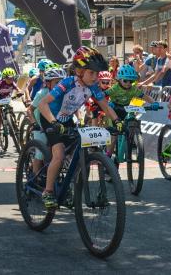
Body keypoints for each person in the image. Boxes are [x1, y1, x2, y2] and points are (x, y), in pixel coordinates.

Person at [38, 46, 123, 210]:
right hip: (50, 117)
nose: (95, 77)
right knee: (59, 154)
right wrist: (54, 123)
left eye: (97, 74)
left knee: (76, 157)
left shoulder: (93, 87)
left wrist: (117, 120)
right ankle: (48, 191)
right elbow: (42, 104)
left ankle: (67, 187)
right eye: (91, 73)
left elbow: (105, 105)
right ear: (79, 71)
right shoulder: (67, 83)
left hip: (67, 119)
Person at [104, 64, 155, 157]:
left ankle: (134, 139)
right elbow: (103, 95)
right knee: (114, 136)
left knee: (133, 120)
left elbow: (144, 96)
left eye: (131, 81)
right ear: (119, 80)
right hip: (115, 110)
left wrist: (154, 103)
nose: (128, 83)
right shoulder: (115, 88)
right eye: (125, 80)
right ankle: (107, 156)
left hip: (126, 108)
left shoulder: (133, 89)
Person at [27, 65, 67, 174]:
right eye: (56, 83)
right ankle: (35, 177)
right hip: (41, 124)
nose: (60, 86)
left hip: (56, 122)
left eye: (62, 83)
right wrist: (34, 124)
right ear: (48, 83)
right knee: (40, 151)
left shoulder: (65, 93)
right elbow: (29, 110)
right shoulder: (42, 93)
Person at [0, 67, 20, 148]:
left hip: (6, 98)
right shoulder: (0, 84)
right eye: (8, 78)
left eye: (12, 78)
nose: (11, 80)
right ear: (4, 77)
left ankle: (14, 122)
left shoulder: (12, 83)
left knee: (11, 108)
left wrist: (20, 92)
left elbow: (18, 89)